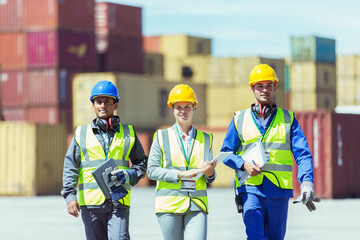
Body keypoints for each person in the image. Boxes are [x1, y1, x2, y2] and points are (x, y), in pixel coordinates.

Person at [221, 64, 320, 240]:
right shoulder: (239, 119)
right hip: (250, 189)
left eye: (269, 85)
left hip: (278, 192)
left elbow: (302, 154)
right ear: (252, 88)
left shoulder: (288, 119)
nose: (265, 90)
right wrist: (243, 164)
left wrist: (307, 183)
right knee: (256, 236)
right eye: (260, 86)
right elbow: (226, 153)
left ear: (275, 87)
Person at [61, 80, 148, 240]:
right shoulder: (81, 133)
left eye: (107, 101)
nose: (102, 106)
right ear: (93, 105)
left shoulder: (128, 132)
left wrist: (130, 174)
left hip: (119, 200)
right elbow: (70, 167)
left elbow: (142, 164)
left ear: (115, 105)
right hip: (91, 203)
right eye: (98, 102)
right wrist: (70, 197)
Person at [147, 84, 217, 240]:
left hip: (197, 204)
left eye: (187, 107)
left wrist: (210, 173)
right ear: (172, 109)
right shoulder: (160, 136)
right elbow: (151, 171)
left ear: (194, 108)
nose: (183, 111)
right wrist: (180, 174)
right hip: (169, 205)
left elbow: (210, 176)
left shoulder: (206, 138)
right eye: (178, 107)